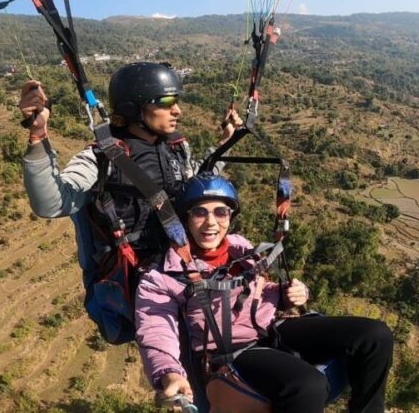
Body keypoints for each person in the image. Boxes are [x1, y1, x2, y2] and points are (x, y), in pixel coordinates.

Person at [134, 173, 394, 413]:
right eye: (199, 212)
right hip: (235, 350)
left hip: (272, 327)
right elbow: (155, 329)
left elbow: (259, 289)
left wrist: (286, 294)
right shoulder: (163, 275)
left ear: (231, 216)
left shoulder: (240, 248)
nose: (211, 222)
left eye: (221, 212)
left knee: (375, 336)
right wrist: (168, 372)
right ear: (184, 218)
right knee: (307, 384)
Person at [20, 62, 241, 267]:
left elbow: (198, 183)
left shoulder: (175, 147)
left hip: (181, 264)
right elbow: (51, 204)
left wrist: (226, 141)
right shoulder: (103, 157)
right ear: (132, 108)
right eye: (165, 102)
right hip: (136, 278)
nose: (177, 111)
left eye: (176, 101)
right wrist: (38, 136)